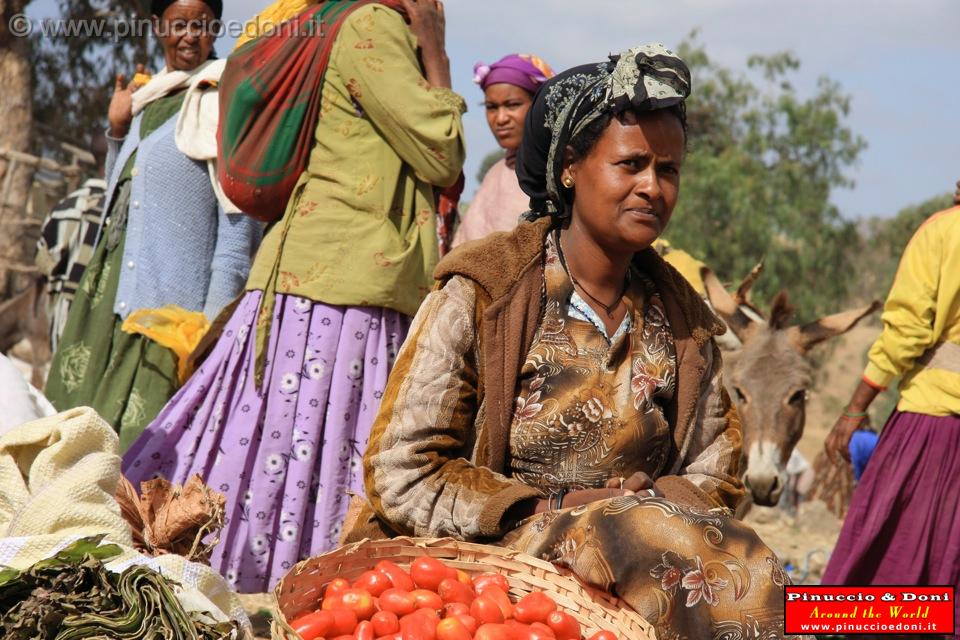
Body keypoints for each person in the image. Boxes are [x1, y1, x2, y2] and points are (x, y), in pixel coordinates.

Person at [353, 44, 789, 638]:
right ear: (568, 167)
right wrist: (551, 509)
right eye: (630, 164)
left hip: (650, 563)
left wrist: (645, 502)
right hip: (497, 576)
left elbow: (717, 479)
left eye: (668, 170)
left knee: (776, 581)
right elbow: (401, 469)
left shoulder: (684, 320)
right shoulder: (487, 292)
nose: (652, 188)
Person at [123, 0, 466, 593]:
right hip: (342, 287)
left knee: (279, 448)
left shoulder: (344, 20)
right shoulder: (371, 26)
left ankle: (237, 588)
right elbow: (443, 150)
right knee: (308, 453)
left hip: (320, 281)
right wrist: (435, 50)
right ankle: (277, 590)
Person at [44, 0, 262, 451]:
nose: (189, 35)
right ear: (156, 26)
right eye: (178, 24)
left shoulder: (223, 101)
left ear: (215, 28)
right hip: (105, 308)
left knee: (139, 464)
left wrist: (208, 331)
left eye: (201, 25)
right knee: (69, 449)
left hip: (166, 324)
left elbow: (238, 229)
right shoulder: (149, 101)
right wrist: (117, 133)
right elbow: (119, 199)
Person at [822, 202, 960, 612]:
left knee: (883, 578)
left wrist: (853, 410)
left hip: (933, 424)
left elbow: (906, 332)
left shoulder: (943, 232)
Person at [451, 54, 553, 247]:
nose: (500, 119)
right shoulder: (495, 175)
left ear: (540, 105)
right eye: (491, 107)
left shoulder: (561, 171)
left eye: (512, 105)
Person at [35, 133, 108, 352]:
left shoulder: (64, 208)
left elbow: (42, 260)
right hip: (98, 328)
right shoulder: (121, 209)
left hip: (61, 324)